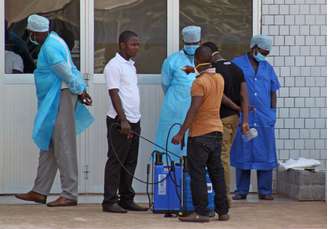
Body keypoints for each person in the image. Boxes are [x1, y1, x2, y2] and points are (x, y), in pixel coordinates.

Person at [15, 14, 94, 207]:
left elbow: (65, 72)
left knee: (63, 144)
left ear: (34, 32)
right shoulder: (54, 40)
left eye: (31, 33)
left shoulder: (50, 47)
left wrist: (81, 90)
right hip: (55, 97)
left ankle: (69, 193)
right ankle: (39, 191)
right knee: (48, 143)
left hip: (62, 96)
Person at [172, 46, 229, 222]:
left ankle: (202, 212)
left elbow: (194, 109)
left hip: (201, 134)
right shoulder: (219, 78)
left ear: (197, 60)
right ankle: (223, 211)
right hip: (217, 131)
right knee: (216, 172)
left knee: (197, 173)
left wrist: (181, 133)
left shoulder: (199, 82)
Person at [230, 35, 280, 200]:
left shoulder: (268, 68)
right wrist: (237, 106)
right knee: (244, 151)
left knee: (265, 153)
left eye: (267, 53)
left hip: (264, 117)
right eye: (263, 52)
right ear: (254, 48)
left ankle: (265, 191)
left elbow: (273, 91)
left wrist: (272, 112)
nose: (264, 56)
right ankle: (241, 190)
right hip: (245, 115)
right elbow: (230, 87)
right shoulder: (237, 64)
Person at [102, 31, 148, 213]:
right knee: (116, 161)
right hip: (120, 121)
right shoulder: (113, 66)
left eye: (138, 44)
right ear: (122, 44)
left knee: (130, 161)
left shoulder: (130, 65)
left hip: (134, 119)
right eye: (133, 44)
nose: (136, 47)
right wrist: (123, 120)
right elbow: (114, 93)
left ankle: (126, 199)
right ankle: (109, 201)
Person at [202, 41, 250, 205]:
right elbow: (245, 95)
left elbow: (219, 94)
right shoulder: (237, 68)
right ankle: (219, 195)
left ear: (209, 55)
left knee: (221, 157)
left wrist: (235, 106)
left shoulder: (214, 70)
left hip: (221, 118)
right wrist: (244, 120)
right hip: (234, 119)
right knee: (223, 155)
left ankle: (224, 197)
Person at [154, 26, 201, 160]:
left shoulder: (204, 60)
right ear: (183, 42)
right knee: (170, 147)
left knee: (195, 152)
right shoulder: (172, 60)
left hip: (197, 110)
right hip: (174, 110)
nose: (192, 46)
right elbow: (165, 83)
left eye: (194, 44)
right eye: (188, 44)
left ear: (200, 42)